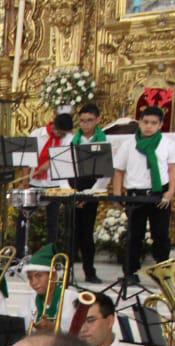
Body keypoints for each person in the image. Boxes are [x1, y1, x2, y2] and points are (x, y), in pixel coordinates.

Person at [112, 106, 175, 285]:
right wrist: (118, 196)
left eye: (153, 123)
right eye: (145, 122)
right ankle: (130, 272)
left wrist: (170, 192)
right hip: (135, 194)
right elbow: (119, 171)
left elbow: (172, 169)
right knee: (134, 235)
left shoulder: (167, 144)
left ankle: (163, 271)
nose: (148, 126)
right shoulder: (128, 144)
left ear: (160, 125)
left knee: (161, 234)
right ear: (139, 122)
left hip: (159, 195)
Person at [20, 112, 72, 252]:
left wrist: (47, 165)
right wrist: (25, 179)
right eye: (59, 131)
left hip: (55, 184)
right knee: (23, 218)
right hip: (34, 182)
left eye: (63, 133)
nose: (60, 135)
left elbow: (63, 156)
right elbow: (26, 158)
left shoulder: (69, 138)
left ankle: (50, 253)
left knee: (52, 222)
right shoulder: (37, 134)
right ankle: (19, 252)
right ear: (54, 125)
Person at [70, 103, 108, 284]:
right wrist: (72, 192)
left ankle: (89, 271)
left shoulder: (102, 142)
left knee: (86, 234)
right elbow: (65, 169)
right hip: (73, 192)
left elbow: (105, 174)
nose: (85, 124)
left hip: (91, 192)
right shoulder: (73, 142)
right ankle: (68, 271)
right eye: (82, 121)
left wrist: (88, 194)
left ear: (98, 120)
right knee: (71, 234)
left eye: (89, 121)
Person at [20, 243, 74, 334]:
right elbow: (21, 329)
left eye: (38, 276)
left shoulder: (70, 297)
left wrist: (54, 328)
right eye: (30, 278)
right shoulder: (32, 299)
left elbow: (77, 334)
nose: (33, 282)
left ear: (53, 275)